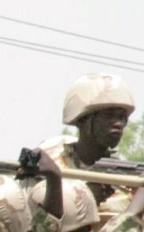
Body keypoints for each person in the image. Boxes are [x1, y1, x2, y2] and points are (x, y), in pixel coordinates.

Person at [38, 73, 136, 214]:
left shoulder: (127, 179)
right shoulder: (51, 165)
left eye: (122, 117)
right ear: (83, 120)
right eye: (108, 115)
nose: (118, 123)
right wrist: (88, 197)